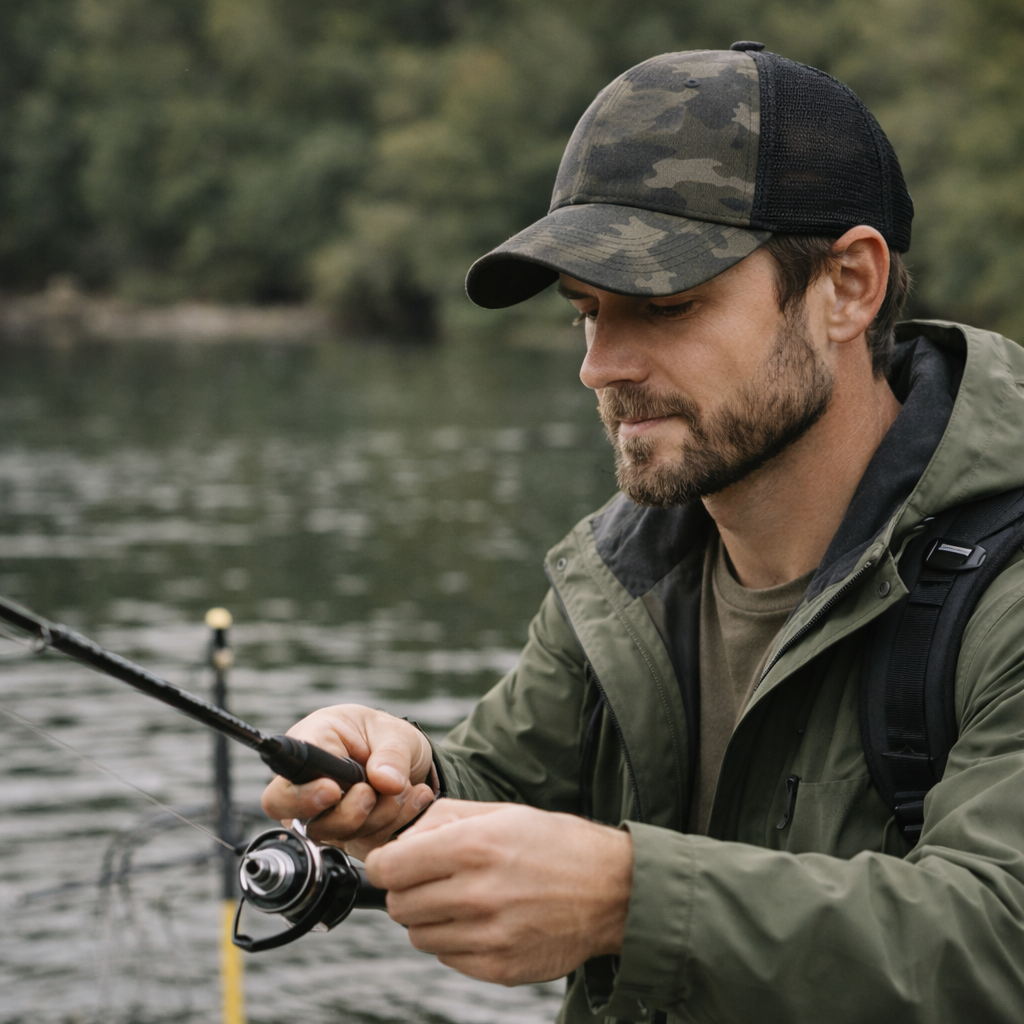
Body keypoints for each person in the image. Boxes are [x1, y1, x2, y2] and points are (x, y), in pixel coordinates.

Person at [262, 43, 1024, 1023]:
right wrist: (393, 777)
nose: (601, 366)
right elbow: (499, 786)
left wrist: (628, 898)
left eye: (666, 305)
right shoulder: (622, 569)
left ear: (848, 285)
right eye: (586, 313)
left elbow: (1002, 931)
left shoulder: (1002, 587)